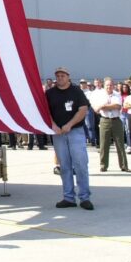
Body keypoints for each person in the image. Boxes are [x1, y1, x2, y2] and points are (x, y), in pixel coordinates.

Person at [45, 67, 92, 210]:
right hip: (58, 134)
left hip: (75, 131)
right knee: (64, 166)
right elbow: (46, 111)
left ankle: (84, 197)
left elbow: (83, 109)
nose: (60, 78)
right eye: (58, 76)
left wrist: (69, 125)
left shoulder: (76, 91)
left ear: (68, 77)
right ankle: (68, 197)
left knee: (80, 164)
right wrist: (53, 125)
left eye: (62, 75)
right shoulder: (50, 93)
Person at [90, 77, 129, 172]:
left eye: (111, 85)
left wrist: (103, 106)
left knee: (120, 144)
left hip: (116, 120)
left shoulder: (117, 94)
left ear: (114, 85)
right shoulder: (100, 95)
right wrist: (105, 106)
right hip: (104, 120)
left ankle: (124, 165)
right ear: (104, 85)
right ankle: (103, 165)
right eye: (107, 85)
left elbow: (118, 106)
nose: (109, 87)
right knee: (104, 144)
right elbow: (96, 109)